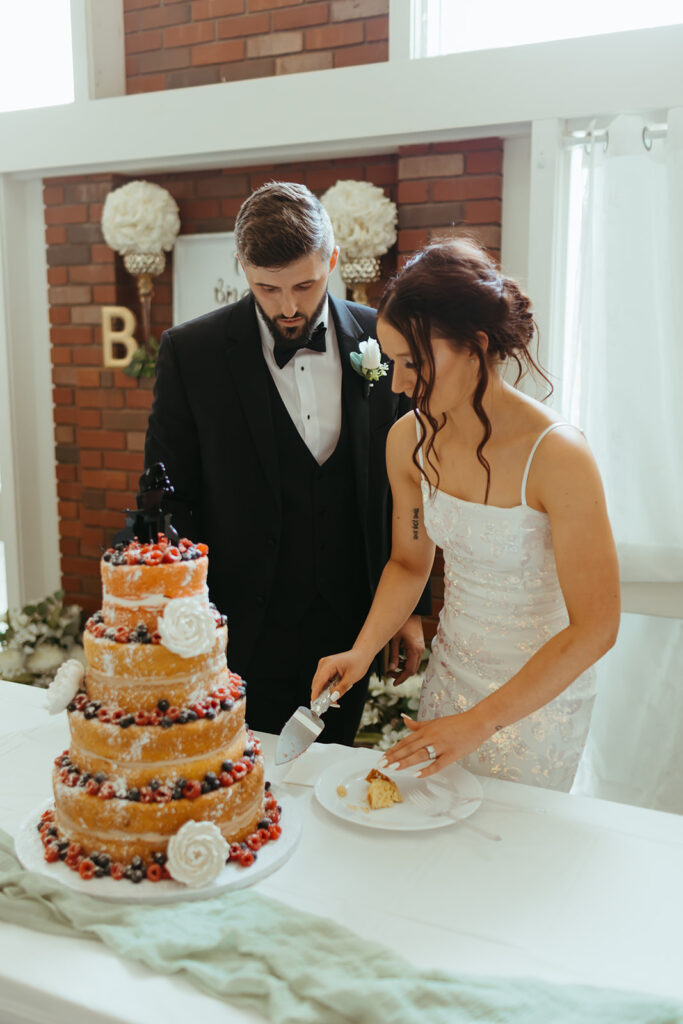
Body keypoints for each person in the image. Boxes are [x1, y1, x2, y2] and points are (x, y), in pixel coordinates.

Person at [312, 238, 620, 790]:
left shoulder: (559, 456)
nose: (400, 384)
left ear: (475, 346)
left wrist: (478, 724)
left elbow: (596, 628)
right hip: (450, 680)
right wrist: (362, 650)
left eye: (412, 362)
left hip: (538, 701)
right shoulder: (407, 441)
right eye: (392, 362)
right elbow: (409, 563)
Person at [142, 182, 430, 744]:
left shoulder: (384, 338)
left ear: (333, 260)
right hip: (240, 626)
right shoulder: (191, 353)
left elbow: (411, 485)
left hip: (353, 620)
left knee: (331, 771)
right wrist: (185, 618)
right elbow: (167, 498)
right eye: (267, 288)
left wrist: (408, 610)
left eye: (305, 283)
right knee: (243, 780)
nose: (289, 306)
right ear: (242, 268)